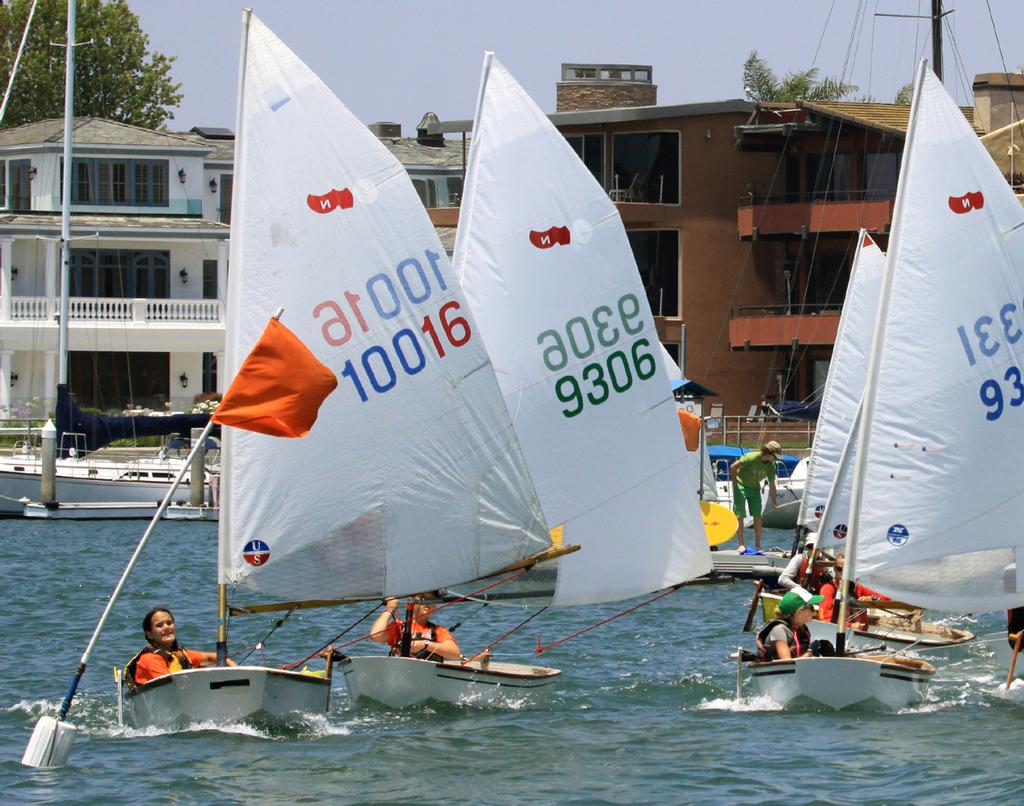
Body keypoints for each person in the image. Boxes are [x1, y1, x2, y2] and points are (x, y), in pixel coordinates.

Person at [124, 606, 235, 688]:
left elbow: (212, 657)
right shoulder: (150, 659)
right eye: (159, 625)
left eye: (169, 623)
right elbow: (171, 686)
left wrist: (235, 670)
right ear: (149, 634)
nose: (166, 627)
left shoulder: (179, 654)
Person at [370, 596, 462, 661]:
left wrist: (424, 644)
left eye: (431, 599)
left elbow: (455, 653)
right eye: (423, 599)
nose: (427, 602)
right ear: (412, 603)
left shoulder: (438, 631)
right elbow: (376, 636)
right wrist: (390, 608)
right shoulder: (399, 626)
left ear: (434, 607)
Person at [730, 440, 781, 552]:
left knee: (757, 516)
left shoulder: (771, 466)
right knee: (740, 515)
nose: (776, 458)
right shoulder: (752, 457)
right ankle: (741, 544)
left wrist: (774, 501)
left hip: (754, 488)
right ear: (769, 453)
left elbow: (772, 484)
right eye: (775, 456)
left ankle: (758, 545)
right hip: (741, 486)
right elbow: (733, 467)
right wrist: (734, 484)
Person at [756, 589, 823, 660]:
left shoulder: (802, 628)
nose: (814, 612)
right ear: (799, 613)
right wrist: (810, 653)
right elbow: (787, 663)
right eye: (811, 608)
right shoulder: (779, 630)